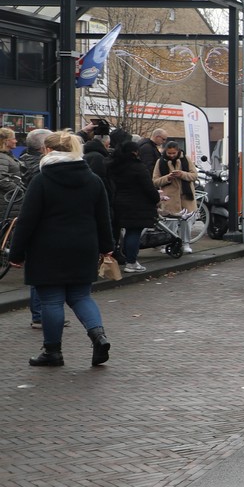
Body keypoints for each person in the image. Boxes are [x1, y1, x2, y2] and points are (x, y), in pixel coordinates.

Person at [10, 132, 114, 368]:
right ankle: (98, 336)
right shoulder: (93, 180)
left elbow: (27, 220)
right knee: (81, 296)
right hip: (84, 246)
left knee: (51, 300)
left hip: (47, 248)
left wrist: (16, 253)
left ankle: (52, 352)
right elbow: (103, 217)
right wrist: (107, 247)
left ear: (47, 151)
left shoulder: (42, 180)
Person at [107, 139, 159, 273]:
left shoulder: (115, 166)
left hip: (119, 202)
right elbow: (148, 187)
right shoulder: (138, 167)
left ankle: (124, 257)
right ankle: (131, 262)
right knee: (134, 232)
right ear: (135, 152)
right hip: (137, 205)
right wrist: (157, 198)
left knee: (124, 232)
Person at [152, 140, 198, 253]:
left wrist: (182, 174)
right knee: (170, 221)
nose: (172, 155)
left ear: (178, 151)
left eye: (174, 153)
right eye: (169, 153)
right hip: (169, 197)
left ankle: (186, 243)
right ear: (165, 151)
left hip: (186, 196)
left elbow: (194, 175)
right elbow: (155, 181)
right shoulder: (160, 161)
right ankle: (168, 243)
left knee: (186, 221)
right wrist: (167, 178)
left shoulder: (186, 159)